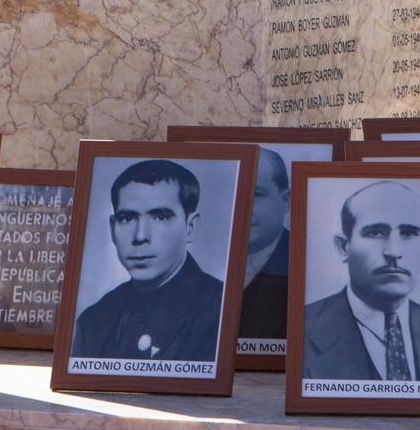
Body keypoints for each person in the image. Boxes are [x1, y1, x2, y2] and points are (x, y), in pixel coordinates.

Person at [301, 181, 420, 381]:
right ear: (344, 247)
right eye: (375, 233)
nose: (394, 251)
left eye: (408, 233)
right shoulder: (300, 331)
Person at [72, 159, 225, 362]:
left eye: (160, 217)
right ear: (112, 229)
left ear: (190, 227)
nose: (140, 235)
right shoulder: (93, 320)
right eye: (127, 218)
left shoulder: (221, 312)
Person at [236, 148, 292, 342]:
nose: (240, 208)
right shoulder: (194, 264)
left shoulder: (308, 264)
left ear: (286, 200)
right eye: (233, 193)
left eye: (255, 195)